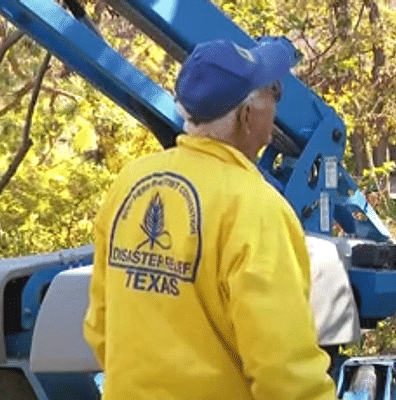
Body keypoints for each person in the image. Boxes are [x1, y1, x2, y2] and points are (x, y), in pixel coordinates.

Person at [83, 38, 337, 400]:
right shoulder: (255, 208)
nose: (277, 106)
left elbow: (100, 327)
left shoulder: (131, 182)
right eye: (273, 93)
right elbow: (284, 370)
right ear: (246, 117)